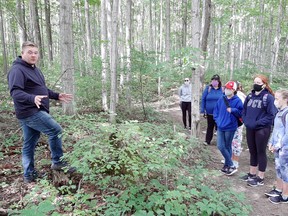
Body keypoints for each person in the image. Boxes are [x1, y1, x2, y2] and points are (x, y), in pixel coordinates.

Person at [7, 41, 75, 183]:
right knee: (56, 130)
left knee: (29, 143)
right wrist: (32, 98)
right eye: (30, 52)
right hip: (30, 111)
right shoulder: (17, 70)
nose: (33, 55)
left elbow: (41, 89)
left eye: (35, 52)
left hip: (35, 110)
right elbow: (15, 92)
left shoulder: (35, 69)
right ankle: (58, 161)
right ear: (23, 53)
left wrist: (56, 95)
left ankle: (28, 175)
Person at [241, 74, 277, 186]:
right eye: (254, 82)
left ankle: (260, 177)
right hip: (250, 128)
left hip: (262, 129)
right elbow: (244, 110)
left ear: (264, 85)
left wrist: (257, 123)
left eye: (258, 83)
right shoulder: (249, 96)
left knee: (260, 152)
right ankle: (252, 173)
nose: (255, 85)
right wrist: (246, 121)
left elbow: (271, 115)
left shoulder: (268, 97)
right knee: (252, 151)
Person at [213, 81, 243, 175]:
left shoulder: (237, 100)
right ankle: (231, 164)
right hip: (221, 126)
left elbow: (241, 113)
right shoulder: (222, 98)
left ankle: (227, 166)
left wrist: (233, 110)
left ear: (233, 90)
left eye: (229, 89)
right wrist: (217, 120)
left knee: (227, 146)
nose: (227, 90)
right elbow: (216, 111)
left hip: (230, 127)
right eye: (226, 88)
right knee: (220, 146)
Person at [265, 89, 288, 204]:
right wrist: (271, 142)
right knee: (278, 168)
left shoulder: (287, 113)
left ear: (285, 99)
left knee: (285, 170)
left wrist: (278, 145)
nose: (275, 101)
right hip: (277, 148)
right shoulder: (279, 112)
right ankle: (279, 189)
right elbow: (276, 130)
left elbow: (287, 134)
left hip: (284, 149)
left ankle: (285, 195)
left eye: (277, 98)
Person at [201, 74, 223, 145]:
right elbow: (203, 99)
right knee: (210, 127)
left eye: (216, 80)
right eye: (213, 80)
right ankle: (207, 141)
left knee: (219, 127)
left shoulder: (222, 90)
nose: (214, 81)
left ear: (219, 81)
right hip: (209, 112)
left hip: (219, 113)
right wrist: (202, 110)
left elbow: (226, 100)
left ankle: (220, 142)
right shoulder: (208, 88)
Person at [231, 81, 246, 168]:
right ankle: (230, 159)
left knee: (236, 141)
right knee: (231, 141)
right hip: (231, 121)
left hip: (238, 122)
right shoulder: (231, 96)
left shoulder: (240, 96)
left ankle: (235, 161)